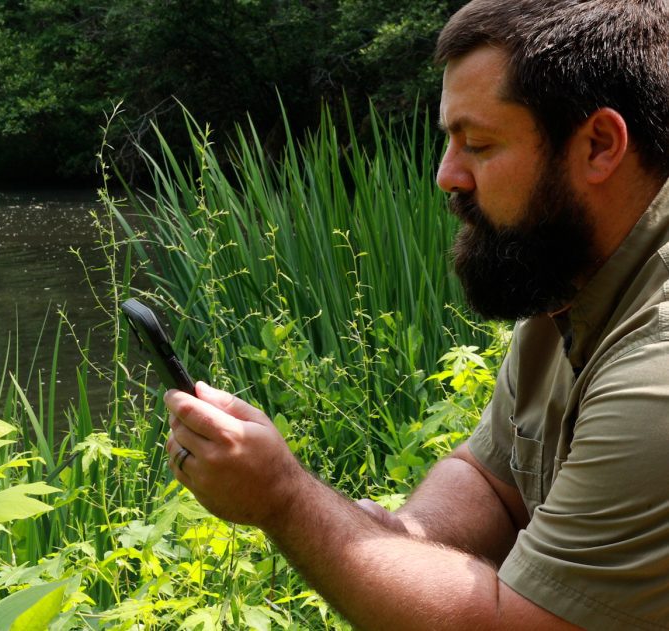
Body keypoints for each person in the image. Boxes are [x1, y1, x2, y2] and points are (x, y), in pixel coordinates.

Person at [164, 0, 669, 628]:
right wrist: (399, 535)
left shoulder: (658, 371)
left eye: (478, 144)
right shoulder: (569, 269)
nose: (446, 176)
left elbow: (514, 625)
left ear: (598, 146)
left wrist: (285, 501)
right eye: (449, 141)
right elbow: (491, 480)